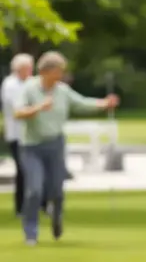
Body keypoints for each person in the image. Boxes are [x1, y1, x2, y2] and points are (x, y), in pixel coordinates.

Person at [14, 51, 120, 245]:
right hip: (31, 147)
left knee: (57, 190)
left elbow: (81, 103)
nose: (61, 75)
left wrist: (104, 103)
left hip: (55, 144)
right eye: (58, 71)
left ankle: (57, 219)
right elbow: (18, 112)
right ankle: (31, 232)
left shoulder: (62, 90)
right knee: (34, 190)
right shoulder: (29, 88)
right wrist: (38, 108)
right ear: (46, 71)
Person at [3, 53, 34, 216]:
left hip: (33, 134)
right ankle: (20, 206)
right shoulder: (10, 85)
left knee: (34, 169)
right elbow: (18, 107)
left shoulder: (31, 83)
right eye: (27, 68)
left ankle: (39, 204)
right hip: (17, 134)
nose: (30, 71)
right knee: (22, 170)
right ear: (18, 69)